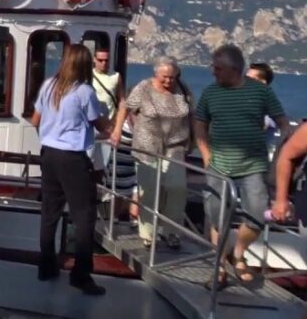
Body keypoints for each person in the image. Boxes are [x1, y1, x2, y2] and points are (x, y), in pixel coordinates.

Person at [194, 45, 290, 287]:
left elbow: (283, 123)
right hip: (218, 166)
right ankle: (220, 268)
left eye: (218, 68)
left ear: (234, 69)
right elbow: (199, 124)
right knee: (217, 218)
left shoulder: (261, 93)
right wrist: (206, 155)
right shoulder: (210, 93)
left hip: (253, 166)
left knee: (257, 216)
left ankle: (238, 252)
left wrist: (286, 153)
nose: (212, 72)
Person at [32, 44, 112, 296]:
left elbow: (36, 120)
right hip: (73, 158)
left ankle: (46, 266)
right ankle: (81, 274)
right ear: (86, 65)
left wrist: (51, 135)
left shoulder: (48, 86)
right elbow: (101, 126)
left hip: (49, 155)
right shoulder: (84, 92)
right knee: (84, 216)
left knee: (49, 213)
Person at [111, 56, 192, 249]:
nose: (168, 81)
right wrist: (116, 130)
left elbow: (192, 115)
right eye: (165, 77)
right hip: (147, 146)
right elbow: (126, 107)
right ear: (156, 73)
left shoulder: (183, 90)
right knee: (150, 190)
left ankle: (171, 231)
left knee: (176, 189)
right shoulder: (144, 87)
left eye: (172, 77)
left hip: (175, 146)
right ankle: (148, 233)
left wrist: (195, 142)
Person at [90, 48, 134, 217]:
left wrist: (117, 127)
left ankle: (104, 211)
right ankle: (91, 206)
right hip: (91, 128)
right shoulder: (88, 77)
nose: (104, 63)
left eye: (106, 60)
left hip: (108, 130)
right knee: (90, 168)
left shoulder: (115, 77)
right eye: (100, 60)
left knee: (105, 169)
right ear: (94, 60)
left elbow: (122, 101)